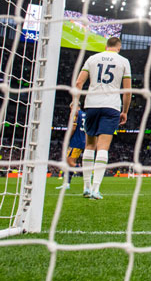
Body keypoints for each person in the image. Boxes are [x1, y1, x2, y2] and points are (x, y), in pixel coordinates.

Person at [75, 36, 131, 199]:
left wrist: (76, 103)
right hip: (111, 106)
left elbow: (79, 83)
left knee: (89, 145)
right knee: (103, 147)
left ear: (106, 46)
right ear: (118, 47)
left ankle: (86, 186)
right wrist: (125, 111)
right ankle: (95, 188)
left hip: (91, 104)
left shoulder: (92, 58)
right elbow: (127, 91)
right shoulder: (123, 61)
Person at [56, 102, 88, 191]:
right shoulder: (85, 114)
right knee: (68, 162)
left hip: (76, 141)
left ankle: (84, 172)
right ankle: (67, 183)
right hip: (83, 140)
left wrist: (67, 138)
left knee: (69, 161)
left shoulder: (75, 114)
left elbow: (73, 127)